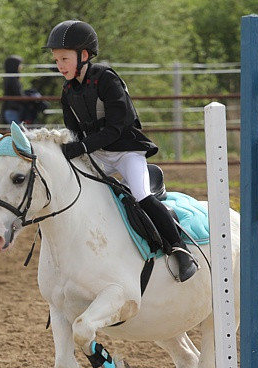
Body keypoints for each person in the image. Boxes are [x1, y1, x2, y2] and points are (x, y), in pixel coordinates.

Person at [44, 20, 197, 282]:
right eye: (57, 60)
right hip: (98, 154)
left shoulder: (106, 79)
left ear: (83, 56)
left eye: (64, 59)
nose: (60, 66)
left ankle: (180, 250)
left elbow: (115, 128)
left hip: (126, 151)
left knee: (141, 195)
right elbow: (73, 131)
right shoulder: (68, 90)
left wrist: (81, 147)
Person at [0, 55, 49, 125]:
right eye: (19, 65)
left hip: (11, 110)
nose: (21, 67)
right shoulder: (12, 79)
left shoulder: (9, 78)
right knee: (17, 133)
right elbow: (19, 95)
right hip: (13, 110)